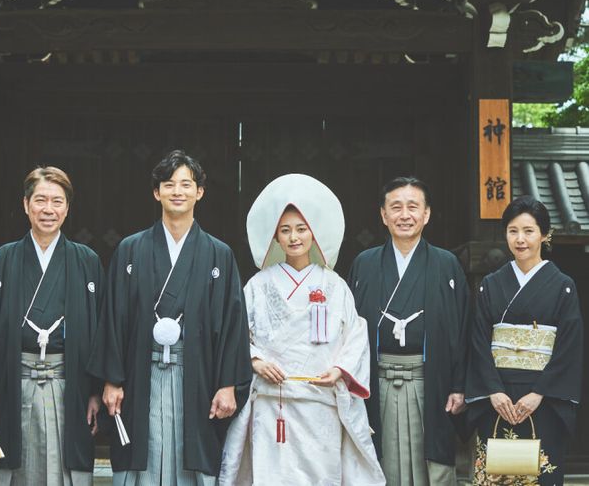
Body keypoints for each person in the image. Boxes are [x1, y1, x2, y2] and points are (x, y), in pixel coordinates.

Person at [88, 149, 252, 485]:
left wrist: (228, 385)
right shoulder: (131, 249)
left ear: (199, 192)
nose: (178, 191)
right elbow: (113, 317)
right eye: (169, 184)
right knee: (140, 457)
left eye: (186, 184)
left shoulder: (218, 254)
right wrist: (112, 380)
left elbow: (232, 324)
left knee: (191, 459)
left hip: (198, 374)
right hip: (140, 371)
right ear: (156, 192)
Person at [220, 174, 385, 486]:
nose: (293, 237)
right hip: (272, 401)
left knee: (320, 476)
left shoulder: (335, 285)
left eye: (301, 228)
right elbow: (237, 333)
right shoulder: (258, 285)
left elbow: (355, 334)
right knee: (272, 476)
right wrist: (255, 360)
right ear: (275, 237)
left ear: (314, 232)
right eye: (285, 230)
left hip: (320, 400)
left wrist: (340, 369)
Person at [0, 166, 104, 485]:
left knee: (66, 469)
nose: (49, 209)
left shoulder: (86, 261)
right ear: (25, 204)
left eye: (57, 201)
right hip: (13, 382)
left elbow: (102, 331)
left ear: (67, 208)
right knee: (14, 467)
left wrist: (95, 391)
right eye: (40, 200)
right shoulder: (2, 260)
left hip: (69, 383)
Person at [347, 175, 470, 486]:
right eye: (396, 207)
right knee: (377, 457)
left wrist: (459, 385)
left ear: (426, 214)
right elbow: (348, 329)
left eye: (413, 207)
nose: (405, 215)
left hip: (430, 380)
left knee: (432, 464)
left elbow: (463, 329)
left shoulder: (446, 264)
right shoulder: (365, 264)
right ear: (383, 215)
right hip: (376, 380)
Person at [466, 195, 583, 485]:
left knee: (540, 476)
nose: (520, 239)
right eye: (513, 231)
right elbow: (478, 341)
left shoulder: (563, 286)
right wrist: (493, 390)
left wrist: (539, 393)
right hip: (498, 397)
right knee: (497, 475)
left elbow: (569, 347)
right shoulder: (491, 284)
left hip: (543, 398)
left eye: (529, 231)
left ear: (544, 235)